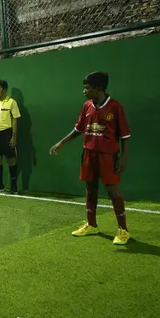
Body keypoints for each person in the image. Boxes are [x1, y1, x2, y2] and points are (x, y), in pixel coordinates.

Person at [50, 72, 131, 245]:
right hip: (88, 153)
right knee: (90, 188)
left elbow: (125, 135)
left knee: (111, 190)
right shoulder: (87, 106)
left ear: (99, 88)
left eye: (87, 88)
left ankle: (123, 230)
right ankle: (92, 224)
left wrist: (124, 156)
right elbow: (79, 129)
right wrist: (60, 143)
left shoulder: (115, 107)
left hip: (107, 155)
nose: (84, 91)